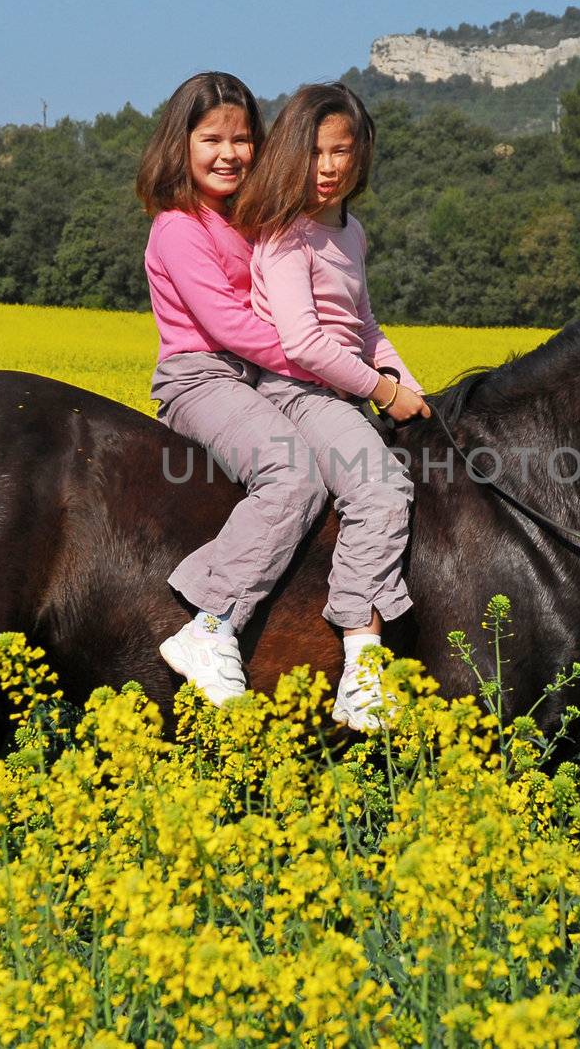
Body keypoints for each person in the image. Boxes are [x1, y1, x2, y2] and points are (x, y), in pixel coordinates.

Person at [234, 82, 431, 730]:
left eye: (340, 151)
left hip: (338, 391)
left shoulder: (350, 233)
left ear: (361, 154)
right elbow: (305, 343)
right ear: (294, 153)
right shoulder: (286, 234)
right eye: (315, 152)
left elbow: (363, 325)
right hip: (291, 391)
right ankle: (361, 672)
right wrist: (381, 391)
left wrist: (401, 375)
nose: (327, 167)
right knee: (379, 492)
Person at [138, 71, 332, 707]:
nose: (229, 154)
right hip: (201, 378)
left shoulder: (250, 223)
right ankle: (211, 623)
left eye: (243, 139)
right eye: (211, 138)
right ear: (180, 145)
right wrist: (320, 365)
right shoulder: (177, 226)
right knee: (292, 473)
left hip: (261, 379)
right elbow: (228, 325)